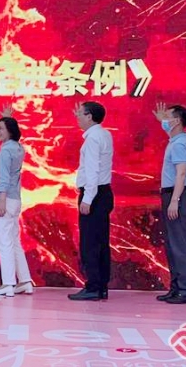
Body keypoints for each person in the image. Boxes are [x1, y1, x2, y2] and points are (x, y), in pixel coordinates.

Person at [68, 101, 114, 301]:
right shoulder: (104, 134)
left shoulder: (93, 138)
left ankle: (93, 286)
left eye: (80, 113)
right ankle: (101, 286)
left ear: (89, 116)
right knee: (101, 242)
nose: (77, 117)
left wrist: (88, 198)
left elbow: (93, 170)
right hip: (103, 193)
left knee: (90, 243)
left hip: (94, 194)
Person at [153, 102, 186, 304]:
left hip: (177, 195)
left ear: (177, 121)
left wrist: (174, 200)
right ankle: (177, 288)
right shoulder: (175, 141)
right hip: (171, 195)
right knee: (172, 246)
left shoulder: (179, 145)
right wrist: (161, 120)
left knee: (180, 246)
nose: (165, 121)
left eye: (168, 117)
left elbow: (181, 173)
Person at [0, 109, 34, 297]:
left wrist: (1, 200)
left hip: (4, 198)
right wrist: (9, 116)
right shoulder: (18, 148)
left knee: (4, 241)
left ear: (9, 131)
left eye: (1, 128)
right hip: (14, 199)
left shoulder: (6, 151)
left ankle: (8, 283)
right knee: (14, 241)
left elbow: (3, 177)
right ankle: (25, 281)